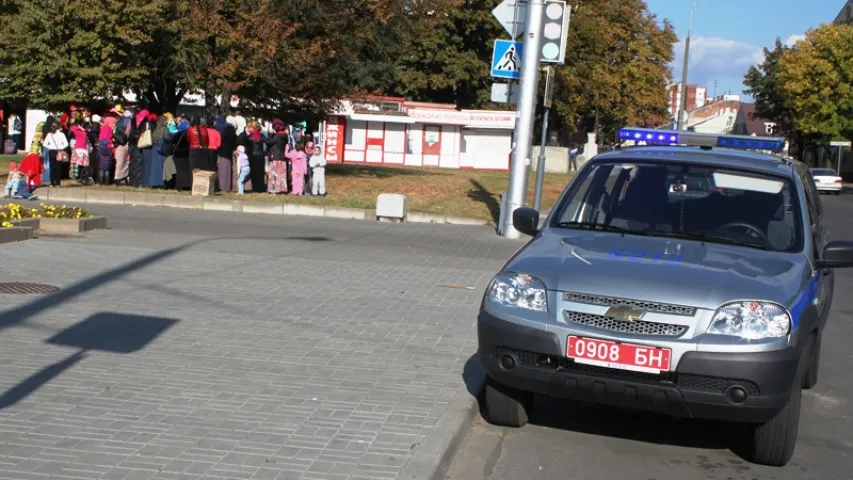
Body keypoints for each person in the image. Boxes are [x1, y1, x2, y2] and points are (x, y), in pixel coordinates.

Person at [265, 120, 289, 194]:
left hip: (275, 156)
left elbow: (268, 142)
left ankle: (275, 188)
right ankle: (282, 188)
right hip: (282, 156)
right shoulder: (285, 135)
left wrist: (270, 134)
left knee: (274, 174)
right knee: (281, 174)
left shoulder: (277, 136)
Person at [42, 121, 69, 187]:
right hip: (59, 151)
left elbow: (44, 144)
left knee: (52, 167)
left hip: (51, 151)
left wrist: (50, 147)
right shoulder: (61, 134)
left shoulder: (49, 134)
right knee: (58, 167)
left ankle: (52, 183)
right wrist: (61, 148)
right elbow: (66, 144)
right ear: (59, 127)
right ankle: (58, 183)